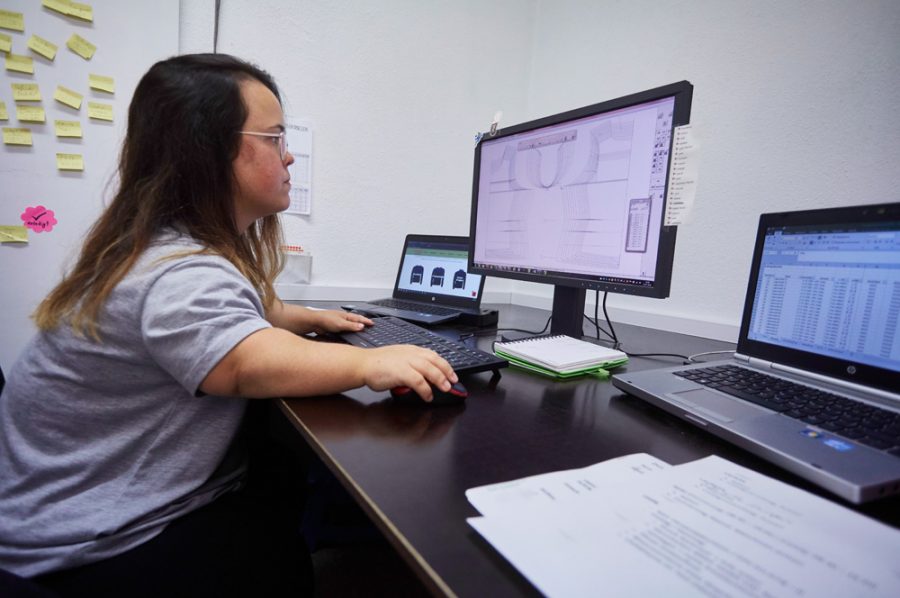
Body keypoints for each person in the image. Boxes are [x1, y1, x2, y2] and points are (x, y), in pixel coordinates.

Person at [0, 53, 457, 596]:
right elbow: (245, 364)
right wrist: (370, 361)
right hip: (98, 543)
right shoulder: (180, 272)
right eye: (274, 138)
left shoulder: (152, 253)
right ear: (209, 149)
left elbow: (215, 316)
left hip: (58, 508)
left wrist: (300, 316)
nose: (289, 158)